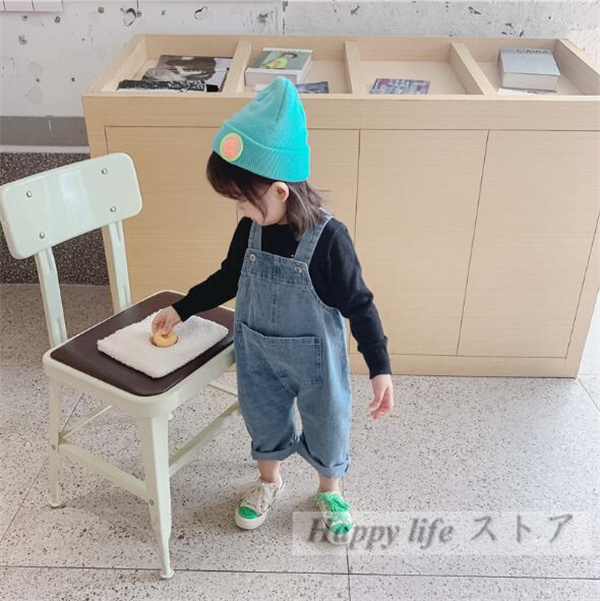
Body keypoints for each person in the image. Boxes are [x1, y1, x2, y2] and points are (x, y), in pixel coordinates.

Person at [151, 76, 394, 545]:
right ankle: (269, 481)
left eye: (244, 198)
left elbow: (360, 305)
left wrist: (379, 367)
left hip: (317, 362)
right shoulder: (252, 228)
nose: (239, 208)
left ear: (280, 191)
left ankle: (329, 491)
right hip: (258, 355)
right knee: (263, 419)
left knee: (326, 423)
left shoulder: (329, 240)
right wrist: (182, 309)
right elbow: (229, 277)